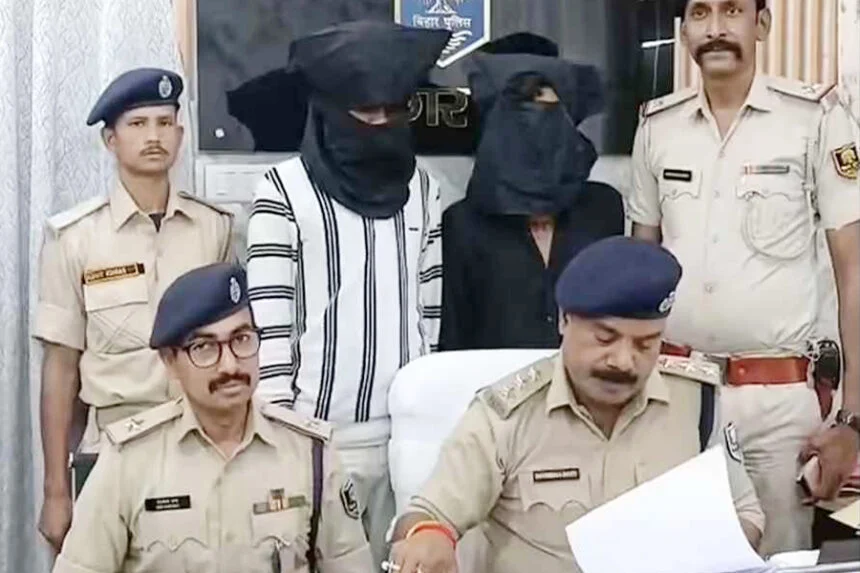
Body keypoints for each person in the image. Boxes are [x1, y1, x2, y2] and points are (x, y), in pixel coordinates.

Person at [627, 0, 860, 553]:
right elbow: (638, 273)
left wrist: (853, 419)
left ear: (762, 25)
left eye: (732, 11)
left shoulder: (816, 118)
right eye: (700, 13)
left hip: (778, 406)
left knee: (778, 558)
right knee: (675, 554)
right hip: (677, 396)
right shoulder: (657, 126)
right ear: (684, 31)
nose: (715, 29)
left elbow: (854, 273)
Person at [388, 236, 765, 573]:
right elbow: (429, 515)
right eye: (605, 338)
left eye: (645, 344)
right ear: (564, 321)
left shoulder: (697, 402)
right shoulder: (505, 415)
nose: (623, 361)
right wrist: (429, 536)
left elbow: (745, 514)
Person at [245, 20, 449, 568]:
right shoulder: (283, 189)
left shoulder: (423, 189)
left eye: (391, 111)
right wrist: (281, 433)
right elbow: (269, 318)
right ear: (331, 111)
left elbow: (430, 309)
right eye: (365, 112)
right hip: (315, 438)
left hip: (405, 437)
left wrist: (427, 413)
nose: (380, 125)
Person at [52, 262, 373, 573]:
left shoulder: (311, 454)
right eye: (205, 347)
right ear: (170, 361)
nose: (230, 365)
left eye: (241, 340)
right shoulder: (129, 461)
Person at [33, 67, 235, 553]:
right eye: (138, 124)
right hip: (113, 449)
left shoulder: (214, 228)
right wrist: (56, 490)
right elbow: (60, 369)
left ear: (180, 135)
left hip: (200, 444)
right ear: (111, 140)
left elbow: (231, 347)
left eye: (165, 123)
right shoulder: (74, 239)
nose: (154, 137)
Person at [439, 50, 624, 350]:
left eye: (549, 111)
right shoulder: (462, 225)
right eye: (522, 109)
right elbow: (453, 337)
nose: (535, 130)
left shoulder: (603, 210)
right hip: (492, 379)